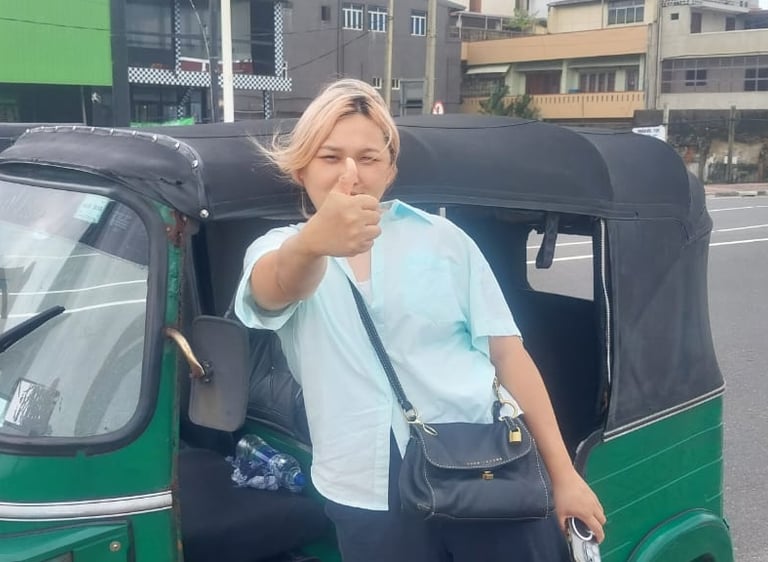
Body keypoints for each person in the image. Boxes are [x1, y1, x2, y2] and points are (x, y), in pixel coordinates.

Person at [235, 78, 606, 562]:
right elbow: (273, 289)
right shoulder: (279, 249)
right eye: (330, 157)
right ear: (302, 167)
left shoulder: (443, 240)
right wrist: (313, 243)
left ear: (390, 169)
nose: (351, 174)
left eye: (369, 158)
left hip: (484, 464)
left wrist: (564, 476)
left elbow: (508, 355)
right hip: (363, 490)